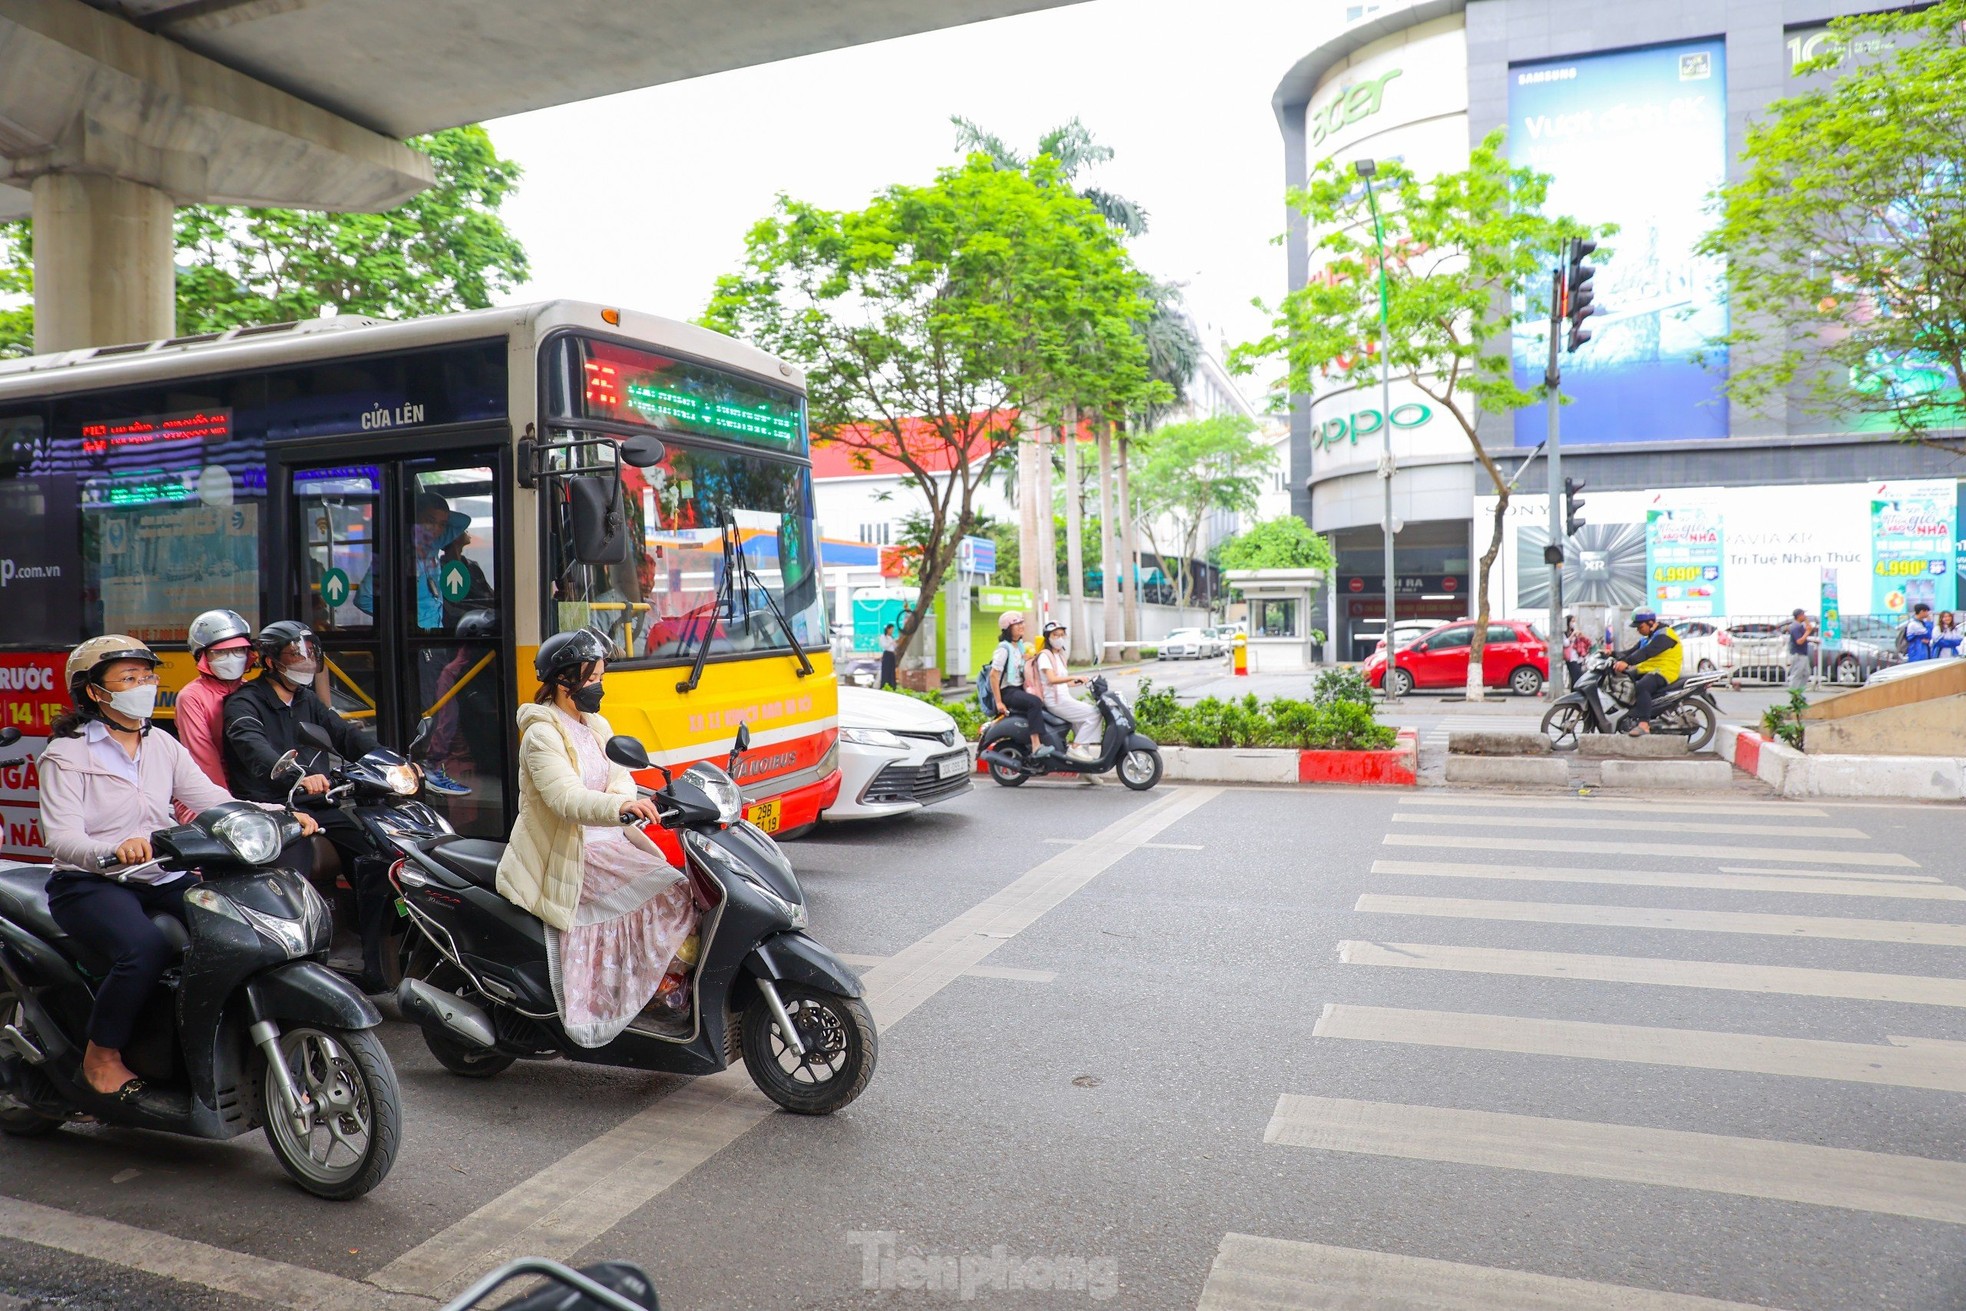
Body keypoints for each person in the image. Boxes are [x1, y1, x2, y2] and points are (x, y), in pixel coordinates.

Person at [41, 636, 316, 1099]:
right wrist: (115, 848)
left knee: (237, 931)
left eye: (147, 676)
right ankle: (100, 1055)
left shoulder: (162, 744)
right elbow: (62, 838)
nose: (144, 685)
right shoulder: (66, 755)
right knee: (143, 948)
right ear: (95, 692)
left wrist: (278, 816)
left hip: (163, 872)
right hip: (89, 882)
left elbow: (213, 801)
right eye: (129, 678)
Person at [495, 629, 699, 1047]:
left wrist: (624, 801)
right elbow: (564, 798)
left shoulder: (597, 725)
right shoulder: (542, 734)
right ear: (564, 679)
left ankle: (653, 985)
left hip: (611, 842)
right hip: (569, 852)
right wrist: (619, 808)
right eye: (591, 679)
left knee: (684, 885)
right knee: (673, 892)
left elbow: (620, 778)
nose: (598, 687)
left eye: (601, 677)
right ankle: (644, 993)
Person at [221, 620, 393, 993]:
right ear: (268, 662)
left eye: (309, 653)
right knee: (293, 881)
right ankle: (299, 972)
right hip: (273, 809)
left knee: (378, 854)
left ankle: (377, 961)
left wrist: (390, 762)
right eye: (293, 655)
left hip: (320, 804)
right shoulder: (245, 703)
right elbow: (253, 747)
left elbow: (345, 735)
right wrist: (294, 775)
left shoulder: (306, 700)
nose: (304, 661)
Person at [176, 609, 255, 790]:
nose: (232, 659)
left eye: (238, 650)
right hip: (208, 792)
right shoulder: (191, 696)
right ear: (203, 656)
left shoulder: (250, 689)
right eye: (220, 653)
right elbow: (204, 757)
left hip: (252, 789)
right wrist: (225, 803)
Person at [988, 612, 1052, 759]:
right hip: (1007, 691)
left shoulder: (1019, 646)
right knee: (1034, 702)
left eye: (1022, 623)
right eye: (1017, 624)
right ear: (1007, 628)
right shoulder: (1004, 649)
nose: (1021, 626)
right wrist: (999, 702)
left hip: (1018, 688)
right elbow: (993, 675)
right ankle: (1036, 746)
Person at [1034, 621, 1101, 760]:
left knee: (1082, 723)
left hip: (1064, 698)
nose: (1059, 638)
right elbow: (1052, 679)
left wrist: (1081, 681)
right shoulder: (1045, 656)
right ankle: (1075, 748)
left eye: (1061, 635)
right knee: (1094, 714)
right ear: (1048, 637)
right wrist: (1074, 676)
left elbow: (1064, 682)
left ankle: (1085, 765)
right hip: (1055, 701)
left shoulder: (1060, 656)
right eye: (1055, 635)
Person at [1610, 608, 1682, 736]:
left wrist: (1627, 662)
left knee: (1642, 686)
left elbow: (1646, 652)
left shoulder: (1665, 635)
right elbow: (1632, 652)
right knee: (1623, 679)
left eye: (1640, 626)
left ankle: (1644, 724)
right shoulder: (1648, 637)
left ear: (1650, 623)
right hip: (1649, 669)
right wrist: (1612, 654)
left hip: (1664, 671)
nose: (1638, 630)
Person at [1786, 608, 1813, 691]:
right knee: (1797, 674)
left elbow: (1805, 635)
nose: (1805, 616)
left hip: (1802, 653)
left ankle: (1799, 692)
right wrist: (1808, 631)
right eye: (1803, 614)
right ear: (1799, 616)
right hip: (1798, 654)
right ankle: (1794, 694)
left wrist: (1807, 623)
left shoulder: (1800, 626)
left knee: (1806, 673)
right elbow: (1799, 641)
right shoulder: (1795, 627)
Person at [1562, 615, 1592, 690]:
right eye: (1572, 621)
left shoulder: (1574, 630)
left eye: (1574, 621)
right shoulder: (1564, 633)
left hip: (1578, 657)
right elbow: (1565, 643)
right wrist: (1572, 635)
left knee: (1575, 678)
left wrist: (1580, 635)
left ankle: (1574, 693)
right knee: (1577, 676)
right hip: (1570, 658)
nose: (1574, 623)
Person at [878, 624, 898, 691]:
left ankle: (892, 685)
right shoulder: (883, 637)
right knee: (886, 670)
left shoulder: (891, 637)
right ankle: (884, 684)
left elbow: (894, 646)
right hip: (887, 654)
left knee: (892, 671)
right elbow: (884, 646)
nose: (892, 631)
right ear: (888, 629)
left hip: (892, 654)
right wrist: (890, 642)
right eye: (891, 629)